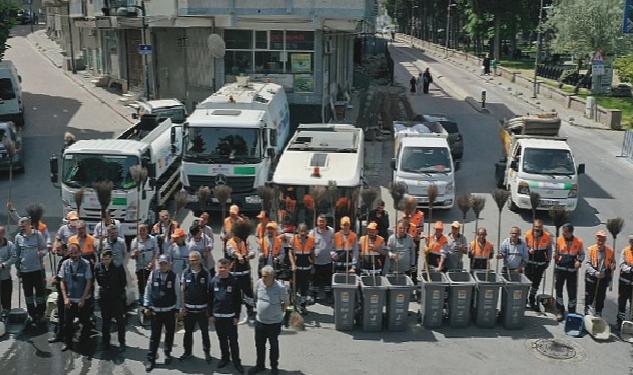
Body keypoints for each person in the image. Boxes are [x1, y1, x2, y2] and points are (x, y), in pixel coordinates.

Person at [143, 254, 181, 372]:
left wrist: (177, 309)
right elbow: (147, 290)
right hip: (156, 312)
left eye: (165, 263)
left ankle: (167, 353)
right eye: (161, 263)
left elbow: (178, 294)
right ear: (158, 264)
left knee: (169, 334)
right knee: (155, 336)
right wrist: (146, 305)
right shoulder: (153, 274)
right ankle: (151, 359)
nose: (163, 266)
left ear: (169, 264)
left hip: (169, 311)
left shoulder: (174, 276)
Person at [248, 265, 289, 375]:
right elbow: (256, 297)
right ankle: (260, 365)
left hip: (274, 323)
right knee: (259, 345)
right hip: (260, 322)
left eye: (266, 276)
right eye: (262, 276)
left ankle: (274, 367)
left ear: (272, 276)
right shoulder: (259, 283)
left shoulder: (280, 288)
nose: (263, 278)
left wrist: (278, 314)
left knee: (273, 346)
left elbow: (286, 303)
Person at [210, 258, 244, 373]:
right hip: (218, 316)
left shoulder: (234, 281)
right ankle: (225, 358)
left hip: (230, 317)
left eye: (225, 268)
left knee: (233, 341)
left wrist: (237, 316)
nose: (222, 270)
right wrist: (210, 314)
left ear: (229, 267)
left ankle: (236, 361)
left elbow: (238, 300)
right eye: (220, 267)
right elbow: (210, 299)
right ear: (217, 268)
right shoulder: (213, 281)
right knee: (222, 339)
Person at [59, 241, 93, 351]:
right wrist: (65, 298)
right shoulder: (65, 264)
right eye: (71, 253)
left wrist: (83, 299)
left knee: (85, 323)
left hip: (83, 300)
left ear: (80, 252)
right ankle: (67, 343)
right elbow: (62, 281)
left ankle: (85, 342)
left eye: (76, 253)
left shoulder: (86, 264)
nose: (74, 255)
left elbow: (88, 282)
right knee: (67, 323)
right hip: (69, 300)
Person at [14, 216, 47, 328]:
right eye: (20, 226)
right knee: (28, 294)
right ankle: (32, 314)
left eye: (24, 226)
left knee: (40, 294)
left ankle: (41, 313)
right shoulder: (18, 237)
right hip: (25, 271)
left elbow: (45, 248)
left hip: (37, 270)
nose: (22, 228)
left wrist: (41, 253)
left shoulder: (37, 235)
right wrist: (18, 269)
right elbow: (17, 254)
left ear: (29, 225)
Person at [180, 251, 212, 363]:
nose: (193, 262)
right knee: (188, 332)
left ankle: (207, 352)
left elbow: (209, 291)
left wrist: (209, 309)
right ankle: (187, 352)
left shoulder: (206, 273)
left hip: (202, 309)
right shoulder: (185, 272)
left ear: (200, 260)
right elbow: (182, 290)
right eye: (191, 260)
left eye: (196, 259)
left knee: (205, 332)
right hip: (188, 310)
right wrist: (182, 307)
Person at [95, 250, 127, 351]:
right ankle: (105, 342)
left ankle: (122, 342)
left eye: (107, 259)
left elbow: (123, 282)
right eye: (103, 259)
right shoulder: (98, 267)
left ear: (111, 258)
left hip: (116, 297)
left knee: (120, 321)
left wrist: (117, 292)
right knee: (105, 321)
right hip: (104, 298)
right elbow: (98, 280)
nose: (105, 261)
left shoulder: (118, 266)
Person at [553, 223, 584, 321]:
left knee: (572, 292)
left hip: (572, 271)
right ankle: (560, 310)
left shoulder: (578, 241)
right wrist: (555, 256)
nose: (563, 233)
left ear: (571, 232)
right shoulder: (559, 239)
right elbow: (556, 252)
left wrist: (579, 261)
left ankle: (571, 312)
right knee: (558, 289)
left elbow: (582, 254)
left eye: (565, 232)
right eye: (563, 231)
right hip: (560, 269)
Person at [226, 226, 256, 322]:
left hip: (245, 271)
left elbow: (252, 252)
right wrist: (239, 256)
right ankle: (234, 311)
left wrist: (249, 256)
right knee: (234, 292)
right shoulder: (229, 242)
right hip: (234, 272)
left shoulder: (245, 241)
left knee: (248, 292)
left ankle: (250, 310)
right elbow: (232, 252)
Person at [584, 230, 615, 317]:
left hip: (603, 278)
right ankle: (587, 314)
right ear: (596, 239)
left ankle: (598, 313)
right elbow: (587, 263)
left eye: (602, 240)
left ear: (605, 240)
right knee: (589, 296)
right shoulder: (590, 249)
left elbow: (613, 264)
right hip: (592, 277)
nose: (600, 242)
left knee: (600, 297)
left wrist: (613, 266)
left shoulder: (610, 251)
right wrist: (595, 273)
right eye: (598, 239)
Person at [525, 220, 553, 311]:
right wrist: (528, 249)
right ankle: (524, 299)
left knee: (536, 283)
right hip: (529, 262)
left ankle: (531, 298)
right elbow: (523, 246)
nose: (537, 230)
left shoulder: (547, 236)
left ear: (542, 228)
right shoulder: (528, 234)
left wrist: (548, 260)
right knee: (526, 281)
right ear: (533, 227)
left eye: (539, 228)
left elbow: (549, 249)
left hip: (540, 262)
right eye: (536, 228)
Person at [288, 224, 315, 313]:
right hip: (296, 269)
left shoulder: (311, 240)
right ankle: (292, 306)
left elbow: (312, 253)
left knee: (304, 288)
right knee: (294, 288)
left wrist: (313, 263)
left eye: (304, 231)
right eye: (301, 231)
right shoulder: (293, 239)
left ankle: (303, 306)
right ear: (298, 231)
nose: (303, 233)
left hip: (306, 268)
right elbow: (290, 253)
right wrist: (292, 264)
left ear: (307, 231)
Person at [131, 224, 158, 307]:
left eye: (144, 230)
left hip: (151, 267)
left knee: (151, 284)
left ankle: (152, 302)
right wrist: (134, 253)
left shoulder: (153, 240)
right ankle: (142, 303)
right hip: (140, 268)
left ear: (147, 230)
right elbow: (131, 256)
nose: (142, 232)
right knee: (142, 286)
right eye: (140, 230)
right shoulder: (135, 241)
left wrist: (152, 262)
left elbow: (156, 252)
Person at [310, 214, 335, 303]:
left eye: (323, 221)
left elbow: (333, 245)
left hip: (328, 260)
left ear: (326, 222)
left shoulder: (331, 231)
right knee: (315, 280)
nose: (321, 223)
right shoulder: (312, 232)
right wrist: (312, 260)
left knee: (328, 280)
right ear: (317, 222)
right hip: (316, 261)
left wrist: (333, 253)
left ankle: (328, 296)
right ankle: (313, 295)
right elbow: (310, 247)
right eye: (319, 221)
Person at [48, 242, 69, 344]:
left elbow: (63, 276)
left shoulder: (67, 261)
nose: (56, 252)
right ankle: (60, 336)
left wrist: (55, 279)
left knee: (65, 316)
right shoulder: (63, 260)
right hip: (61, 292)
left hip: (67, 293)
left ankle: (65, 337)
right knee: (61, 314)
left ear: (65, 250)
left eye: (58, 250)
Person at [0, 225, 16, 318]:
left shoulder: (9, 244)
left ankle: (7, 316)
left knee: (6, 297)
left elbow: (14, 257)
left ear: (3, 234)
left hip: (5, 277)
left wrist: (3, 265)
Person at [617, 235, 633, 328]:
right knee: (622, 302)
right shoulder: (625, 251)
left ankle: (631, 324)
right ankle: (620, 322)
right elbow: (622, 264)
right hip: (624, 282)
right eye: (631, 241)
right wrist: (630, 269)